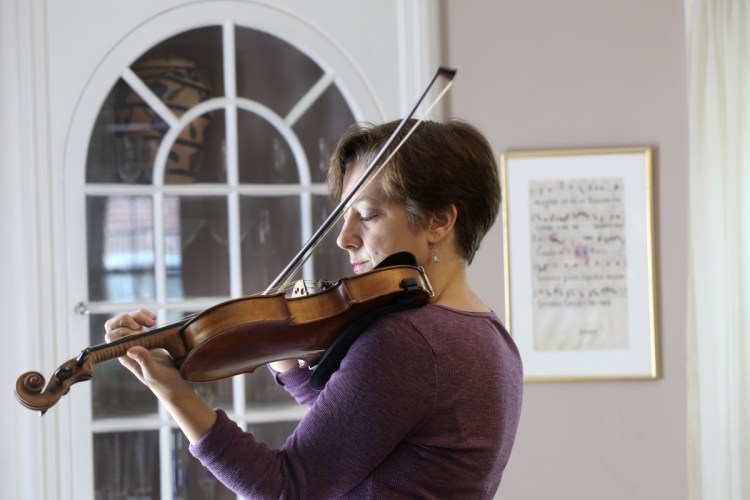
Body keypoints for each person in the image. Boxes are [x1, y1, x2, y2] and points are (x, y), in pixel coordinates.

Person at [105, 118, 523, 499]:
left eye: (368, 215)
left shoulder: (408, 342)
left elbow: (287, 488)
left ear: (439, 222)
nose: (345, 238)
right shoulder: (490, 336)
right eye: (344, 216)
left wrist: (171, 389)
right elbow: (364, 422)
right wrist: (287, 361)